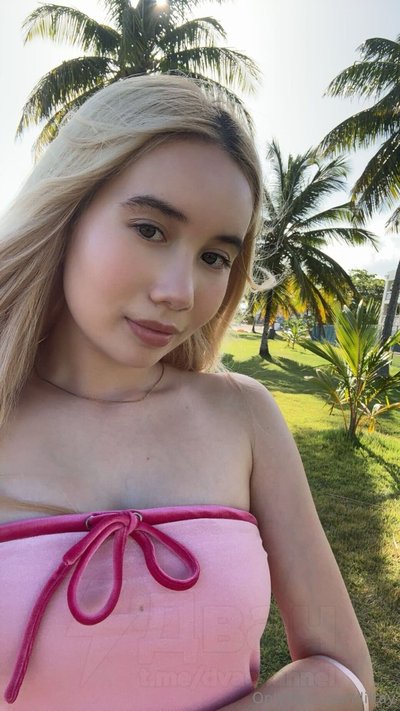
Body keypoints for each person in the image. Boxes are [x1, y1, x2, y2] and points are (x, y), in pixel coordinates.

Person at [0, 74, 375, 711]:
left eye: (215, 257)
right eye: (150, 230)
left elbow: (344, 673)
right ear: (68, 213)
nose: (180, 292)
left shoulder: (244, 415)